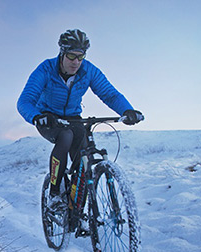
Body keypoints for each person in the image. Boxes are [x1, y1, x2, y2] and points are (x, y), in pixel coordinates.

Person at [17, 29, 143, 209]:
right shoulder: (45, 69)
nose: (76, 62)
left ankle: (77, 207)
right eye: (71, 56)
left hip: (73, 117)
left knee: (83, 157)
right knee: (65, 136)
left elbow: (109, 94)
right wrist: (37, 116)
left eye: (80, 56)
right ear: (62, 52)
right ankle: (54, 193)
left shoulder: (88, 70)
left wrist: (127, 110)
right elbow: (25, 101)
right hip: (48, 118)